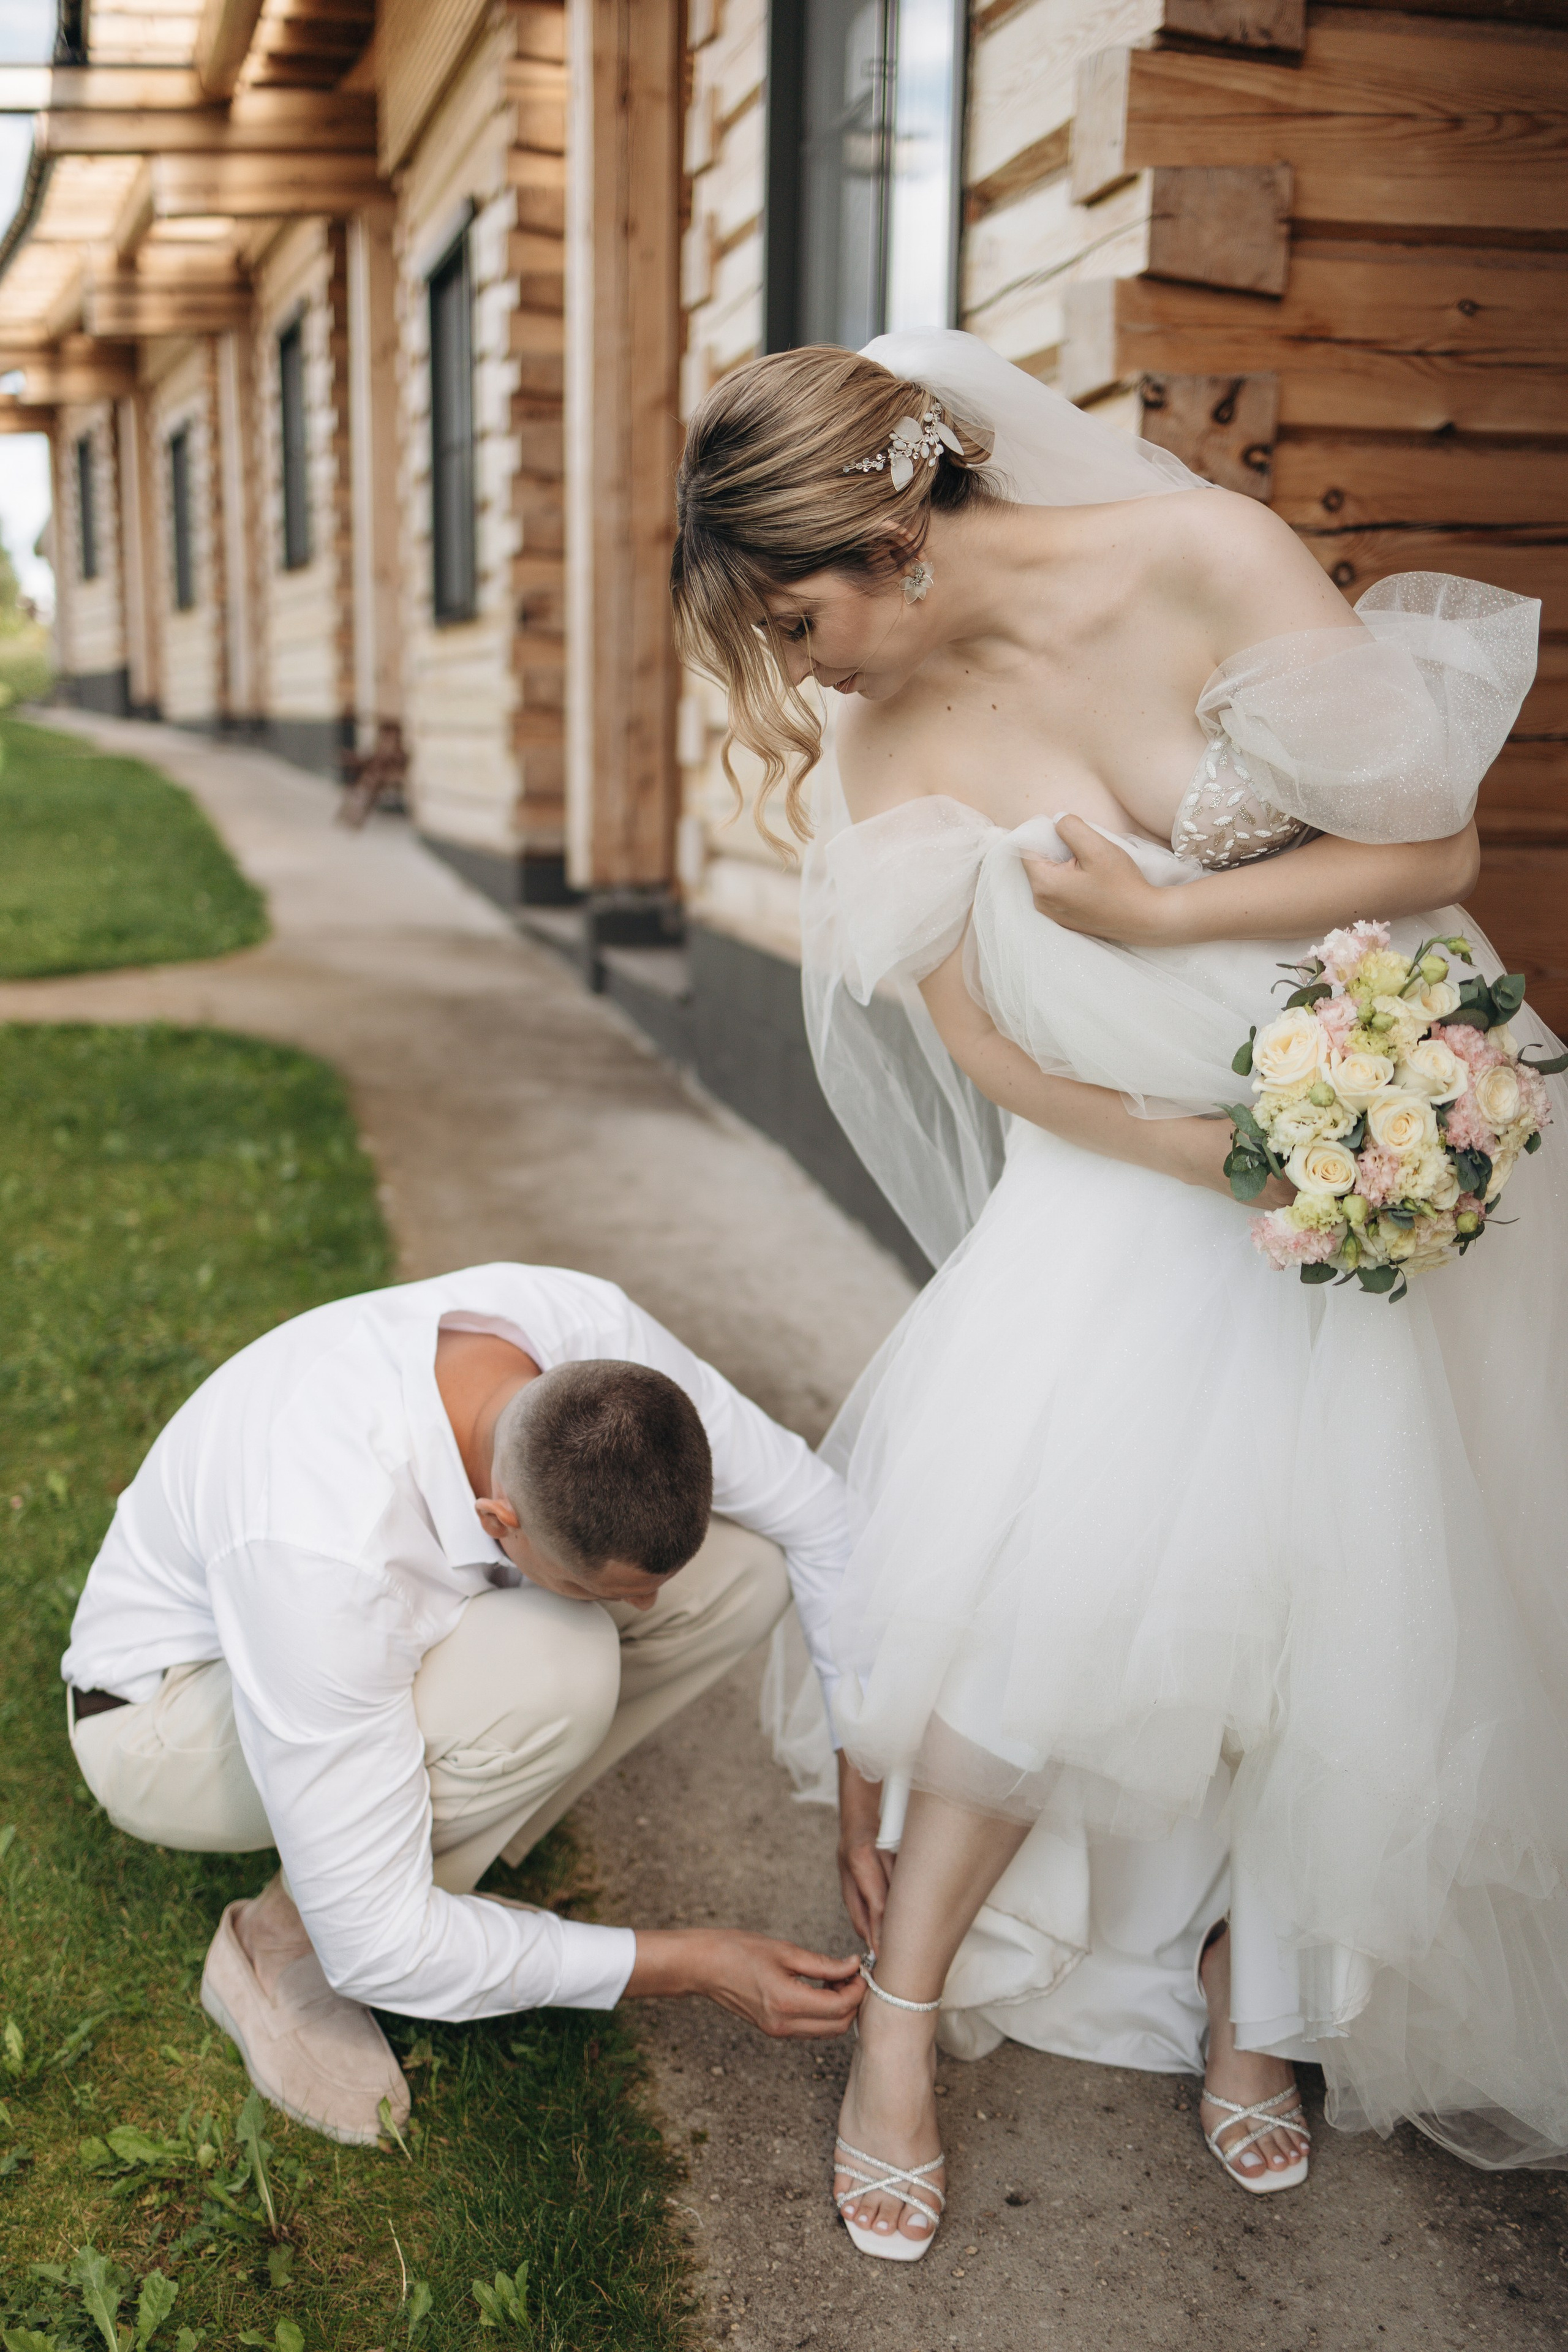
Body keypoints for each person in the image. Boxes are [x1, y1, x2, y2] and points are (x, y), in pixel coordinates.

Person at [671, 330, 1568, 2260]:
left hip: (1370, 1145)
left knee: (1342, 1595)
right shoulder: (879, 742)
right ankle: (896, 2031)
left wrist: (1175, 926)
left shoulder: (1204, 557)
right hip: (1133, 1179)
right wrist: (1190, 1161)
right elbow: (982, 1049)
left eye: (797, 616)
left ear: (890, 534)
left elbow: (1432, 843)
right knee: (1043, 1603)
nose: (797, 670)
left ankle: (1265, 1991)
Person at [61, 1263, 864, 2144]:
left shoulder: (590, 1341)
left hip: (323, 1642)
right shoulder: (323, 1553)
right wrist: (690, 1963)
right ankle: (279, 1946)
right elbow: (381, 1950)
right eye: (612, 1587)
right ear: (499, 1521)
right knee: (561, 1668)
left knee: (745, 1574)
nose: (648, 1609)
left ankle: (435, 1838)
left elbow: (821, 1520)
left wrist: (859, 1811)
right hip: (161, 1721)